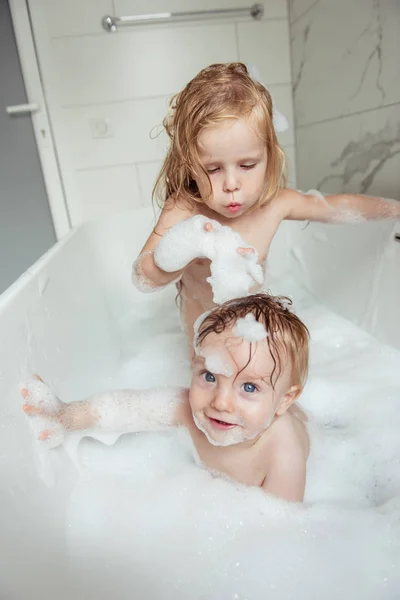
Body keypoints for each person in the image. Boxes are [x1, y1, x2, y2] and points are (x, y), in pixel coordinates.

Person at [133, 62, 400, 341]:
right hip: (203, 347)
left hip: (251, 336)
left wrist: (394, 209)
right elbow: (145, 276)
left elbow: (337, 206)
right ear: (190, 167)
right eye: (213, 169)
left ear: (269, 157)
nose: (232, 184)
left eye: (247, 165)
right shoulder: (184, 208)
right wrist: (181, 249)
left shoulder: (275, 204)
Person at [21, 294, 310, 503]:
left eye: (249, 388)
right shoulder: (190, 408)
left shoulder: (282, 450)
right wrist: (66, 416)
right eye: (209, 376)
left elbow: (279, 532)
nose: (221, 402)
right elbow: (128, 408)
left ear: (285, 400)